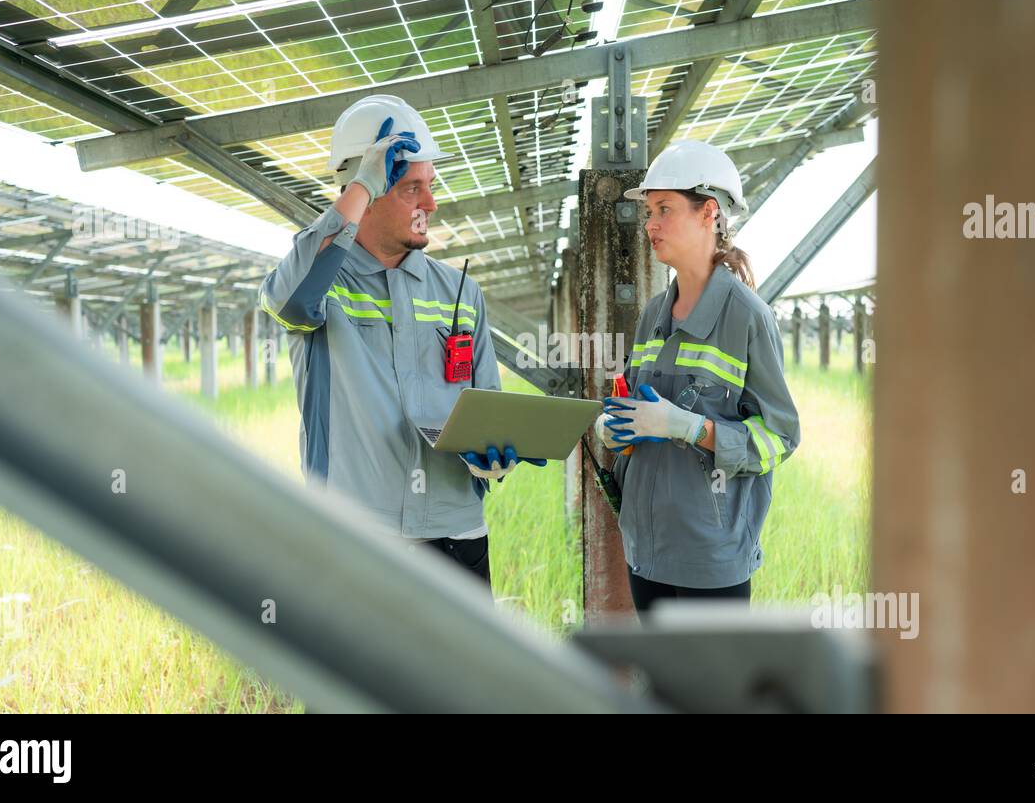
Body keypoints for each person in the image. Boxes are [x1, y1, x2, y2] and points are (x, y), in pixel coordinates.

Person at [258, 94, 542, 589]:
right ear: (365, 190)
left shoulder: (459, 290)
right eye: (413, 188)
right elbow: (285, 302)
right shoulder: (323, 283)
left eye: (430, 186)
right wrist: (363, 183)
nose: (431, 204)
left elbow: (489, 407)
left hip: (457, 534)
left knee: (459, 670)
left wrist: (493, 458)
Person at [595, 139, 801, 612]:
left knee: (710, 689)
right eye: (649, 211)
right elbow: (635, 405)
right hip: (645, 549)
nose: (650, 224)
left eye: (664, 209)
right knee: (661, 687)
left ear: (709, 212)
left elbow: (780, 438)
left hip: (709, 557)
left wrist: (691, 428)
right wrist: (621, 430)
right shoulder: (653, 314)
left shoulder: (746, 317)